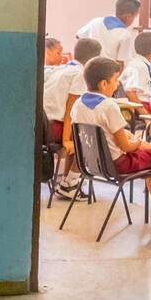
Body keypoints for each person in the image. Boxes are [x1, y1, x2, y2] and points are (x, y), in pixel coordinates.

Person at [69, 57, 151, 223]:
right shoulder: (109, 106)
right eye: (115, 80)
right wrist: (136, 142)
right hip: (116, 165)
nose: (117, 85)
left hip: (90, 164)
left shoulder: (78, 104)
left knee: (132, 139)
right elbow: (126, 147)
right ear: (103, 84)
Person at [44, 37, 102, 200]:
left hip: (45, 123)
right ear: (94, 59)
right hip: (55, 126)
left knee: (78, 132)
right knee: (90, 137)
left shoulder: (60, 69)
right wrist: (66, 141)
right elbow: (71, 109)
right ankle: (70, 183)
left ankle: (64, 180)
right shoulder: (79, 74)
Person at [77, 0, 141, 63]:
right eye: (134, 17)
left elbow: (78, 36)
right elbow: (120, 62)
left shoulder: (96, 21)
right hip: (109, 71)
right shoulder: (125, 34)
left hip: (90, 68)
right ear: (128, 17)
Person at [121, 31, 151, 114]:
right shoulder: (139, 66)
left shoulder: (143, 64)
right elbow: (130, 92)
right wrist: (145, 116)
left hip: (145, 105)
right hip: (139, 109)